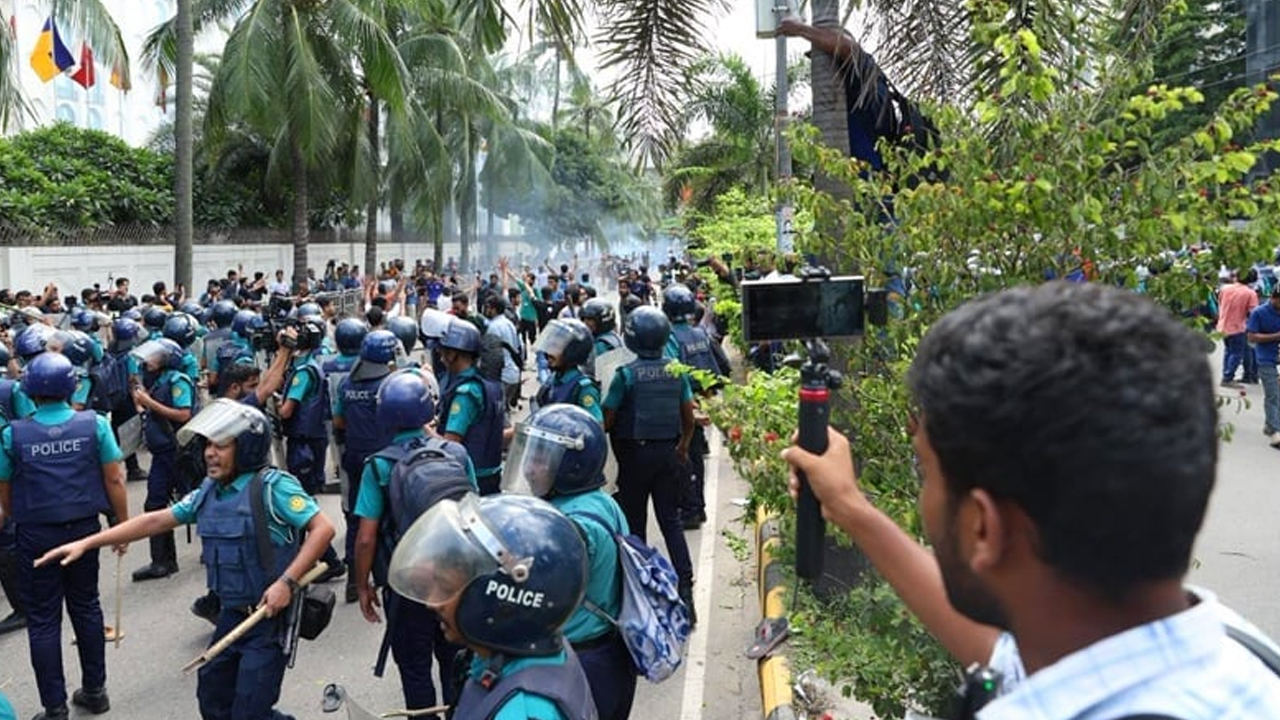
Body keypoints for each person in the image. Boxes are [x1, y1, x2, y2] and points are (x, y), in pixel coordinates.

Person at [781, 282, 1280, 719]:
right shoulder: (1229, 651)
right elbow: (1008, 657)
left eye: (925, 471)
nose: (924, 491)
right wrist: (851, 507)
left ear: (983, 526)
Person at [35, 399, 336, 720]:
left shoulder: (272, 487)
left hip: (268, 621)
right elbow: (156, 521)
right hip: (232, 617)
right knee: (213, 698)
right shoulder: (210, 491)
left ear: (246, 447)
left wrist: (286, 582)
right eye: (207, 445)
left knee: (250, 710)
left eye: (221, 446)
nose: (209, 453)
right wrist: (89, 542)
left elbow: (323, 528)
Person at [387, 493, 598, 720]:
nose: (431, 603)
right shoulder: (523, 649)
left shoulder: (522, 712)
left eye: (447, 587)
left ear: (503, 602)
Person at [0, 352, 129, 720]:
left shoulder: (13, 434)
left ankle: (54, 709)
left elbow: (4, 492)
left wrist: (18, 516)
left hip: (35, 535)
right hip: (84, 531)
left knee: (42, 620)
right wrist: (120, 527)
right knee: (86, 607)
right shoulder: (94, 425)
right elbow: (115, 478)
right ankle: (95, 691)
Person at [353, 369, 476, 714]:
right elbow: (474, 516)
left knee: (414, 668)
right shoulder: (457, 454)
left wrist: (364, 586)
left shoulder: (378, 466)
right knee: (457, 661)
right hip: (455, 580)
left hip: (408, 585)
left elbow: (365, 538)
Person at [503, 405, 636, 720]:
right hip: (610, 654)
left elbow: (528, 594)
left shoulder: (567, 526)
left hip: (581, 663)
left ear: (572, 465)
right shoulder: (603, 501)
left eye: (540, 458)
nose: (529, 468)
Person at [600, 306, 697, 625]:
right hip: (669, 453)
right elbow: (688, 416)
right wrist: (682, 446)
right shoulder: (676, 371)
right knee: (670, 522)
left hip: (635, 457)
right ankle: (686, 593)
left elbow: (607, 419)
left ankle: (643, 596)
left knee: (636, 526)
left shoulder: (625, 375)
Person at [333, 329, 399, 602]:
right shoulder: (391, 385)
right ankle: (392, 576)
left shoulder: (347, 384)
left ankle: (353, 576)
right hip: (385, 461)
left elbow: (338, 422)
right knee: (390, 517)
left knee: (356, 517)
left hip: (355, 458)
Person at [130, 337, 196, 581]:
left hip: (178, 452)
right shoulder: (156, 380)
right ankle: (162, 561)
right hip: (161, 453)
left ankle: (216, 550)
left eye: (154, 355)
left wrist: (149, 402)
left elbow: (183, 414)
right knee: (155, 504)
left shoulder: (178, 380)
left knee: (195, 501)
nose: (148, 360)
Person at [438, 319, 506, 495]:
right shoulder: (490, 385)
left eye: (443, 352)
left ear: (453, 354)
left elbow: (450, 445)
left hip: (470, 479)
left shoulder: (466, 393)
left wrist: (420, 427)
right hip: (492, 474)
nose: (441, 357)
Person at [535, 319, 602, 423]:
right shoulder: (554, 378)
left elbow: (596, 425)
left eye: (556, 347)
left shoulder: (583, 388)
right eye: (550, 345)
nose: (549, 352)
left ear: (572, 353)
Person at [1247, 285, 1280, 448]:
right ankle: (1276, 431)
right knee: (1273, 394)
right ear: (1274, 298)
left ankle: (1270, 424)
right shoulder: (1259, 313)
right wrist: (1276, 336)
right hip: (1266, 359)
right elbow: (1252, 337)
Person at [1218, 268, 1259, 388]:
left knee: (1228, 352)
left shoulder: (1225, 288)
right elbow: (1253, 313)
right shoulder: (1250, 293)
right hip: (1238, 326)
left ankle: (1244, 375)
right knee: (1237, 353)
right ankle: (1228, 378)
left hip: (1223, 325)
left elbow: (1220, 303)